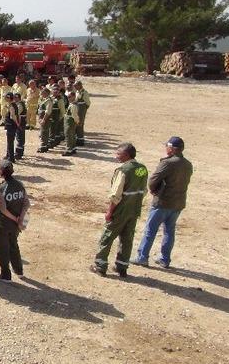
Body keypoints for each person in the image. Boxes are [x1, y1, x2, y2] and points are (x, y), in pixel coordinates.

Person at [132, 137, 193, 268]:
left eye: (167, 146)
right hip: (178, 203)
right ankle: (165, 259)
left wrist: (154, 190)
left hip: (163, 202)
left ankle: (142, 256)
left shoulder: (168, 163)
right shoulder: (188, 164)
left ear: (171, 149)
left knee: (150, 230)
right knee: (169, 231)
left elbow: (153, 180)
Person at [91, 142, 148, 277]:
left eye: (118, 154)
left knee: (107, 237)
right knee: (127, 238)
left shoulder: (123, 171)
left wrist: (110, 211)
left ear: (126, 155)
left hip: (121, 209)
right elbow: (144, 190)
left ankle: (100, 266)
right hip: (134, 209)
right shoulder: (142, 169)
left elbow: (116, 195)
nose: (116, 156)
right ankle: (122, 267)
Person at [0, 160, 30, 281]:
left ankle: (5, 274)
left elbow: (3, 209)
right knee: (13, 245)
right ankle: (19, 270)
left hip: (3, 223)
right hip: (15, 224)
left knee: (2, 248)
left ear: (1, 172)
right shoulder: (20, 185)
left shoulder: (2, 188)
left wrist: (15, 218)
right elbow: (26, 203)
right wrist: (20, 218)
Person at [62, 92, 80, 156]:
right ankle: (73, 148)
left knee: (68, 135)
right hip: (70, 122)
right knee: (72, 135)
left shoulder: (73, 105)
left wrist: (77, 122)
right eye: (68, 97)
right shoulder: (72, 104)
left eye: (69, 97)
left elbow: (75, 115)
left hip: (70, 123)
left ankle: (69, 150)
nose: (68, 98)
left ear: (74, 96)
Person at [36, 88, 53, 153]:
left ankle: (43, 146)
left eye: (42, 93)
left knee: (44, 132)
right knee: (42, 132)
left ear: (46, 93)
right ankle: (43, 145)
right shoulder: (44, 99)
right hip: (42, 118)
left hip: (45, 118)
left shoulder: (49, 101)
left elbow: (48, 112)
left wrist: (44, 119)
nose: (41, 94)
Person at [74, 81, 90, 146]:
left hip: (81, 109)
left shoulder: (84, 92)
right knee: (76, 123)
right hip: (77, 108)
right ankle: (77, 138)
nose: (75, 87)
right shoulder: (77, 92)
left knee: (80, 123)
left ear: (80, 85)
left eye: (76, 85)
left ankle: (80, 140)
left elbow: (88, 103)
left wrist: (84, 109)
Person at [15, 90, 27, 160]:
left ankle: (18, 153)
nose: (15, 99)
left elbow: (17, 113)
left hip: (20, 122)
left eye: (16, 98)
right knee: (19, 137)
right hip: (20, 122)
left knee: (20, 137)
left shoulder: (20, 104)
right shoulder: (18, 104)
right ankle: (20, 152)